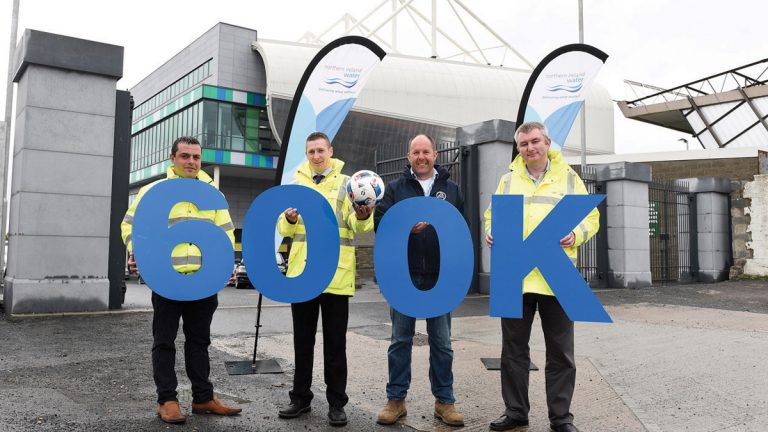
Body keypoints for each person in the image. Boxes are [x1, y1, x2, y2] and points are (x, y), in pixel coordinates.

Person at [484, 122, 599, 432]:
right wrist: (490, 231)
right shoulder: (508, 181)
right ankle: (516, 412)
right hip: (516, 276)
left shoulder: (569, 178)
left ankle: (561, 418)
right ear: (519, 148)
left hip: (557, 276)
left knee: (561, 353)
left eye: (535, 141)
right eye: (524, 144)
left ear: (547, 142)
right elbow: (492, 215)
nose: (530, 148)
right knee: (513, 353)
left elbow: (591, 218)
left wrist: (576, 233)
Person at [121, 136, 242, 424]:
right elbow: (130, 225)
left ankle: (203, 398)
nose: (191, 162)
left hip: (203, 280)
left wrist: (229, 264)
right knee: (164, 341)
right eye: (185, 156)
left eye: (196, 157)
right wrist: (134, 250)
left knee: (199, 341)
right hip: (166, 280)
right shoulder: (153, 191)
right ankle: (167, 400)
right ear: (172, 158)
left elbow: (225, 232)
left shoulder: (212, 193)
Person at [277, 132, 374, 427]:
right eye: (311, 151)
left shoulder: (348, 184)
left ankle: (336, 404)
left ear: (330, 151)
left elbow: (359, 225)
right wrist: (290, 220)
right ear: (306, 154)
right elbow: (284, 228)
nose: (316, 156)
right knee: (302, 343)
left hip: (335, 274)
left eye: (321, 150)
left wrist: (363, 213)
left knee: (335, 344)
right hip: (303, 275)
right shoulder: (295, 185)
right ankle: (300, 399)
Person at [373, 134, 465, 427]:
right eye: (416, 152)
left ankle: (445, 402)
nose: (421, 156)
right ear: (408, 157)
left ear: (435, 154)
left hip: (441, 276)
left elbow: (461, 229)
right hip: (404, 274)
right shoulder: (395, 188)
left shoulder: (451, 189)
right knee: (400, 340)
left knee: (442, 342)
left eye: (426, 151)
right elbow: (380, 224)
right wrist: (405, 228)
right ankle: (396, 400)